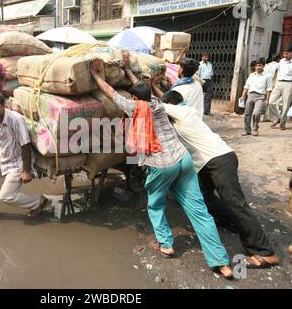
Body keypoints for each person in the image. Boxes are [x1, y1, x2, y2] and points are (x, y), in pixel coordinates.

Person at [90, 53, 233, 279]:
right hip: (183, 160)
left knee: (156, 205)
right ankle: (221, 262)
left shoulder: (134, 107)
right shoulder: (158, 103)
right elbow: (140, 86)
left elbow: (110, 93)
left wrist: (95, 76)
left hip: (161, 164)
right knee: (200, 212)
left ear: (136, 99)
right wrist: (127, 69)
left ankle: (166, 244)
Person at [156, 88, 279, 269]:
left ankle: (265, 252)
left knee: (236, 203)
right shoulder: (186, 114)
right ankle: (230, 221)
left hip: (219, 160)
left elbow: (155, 104)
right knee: (203, 196)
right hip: (207, 163)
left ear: (171, 105)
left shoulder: (183, 112)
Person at [0, 91, 49, 222]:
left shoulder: (15, 120)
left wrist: (26, 171)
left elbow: (26, 145)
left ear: (3, 105)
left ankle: (38, 201)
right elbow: (2, 141)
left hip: (19, 161)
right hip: (4, 157)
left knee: (6, 195)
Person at [269, 45, 292, 130]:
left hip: (289, 84)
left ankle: (282, 124)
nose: (285, 55)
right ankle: (277, 118)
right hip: (279, 83)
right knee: (271, 101)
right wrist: (275, 83)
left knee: (286, 105)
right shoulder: (281, 61)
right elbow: (276, 71)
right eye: (284, 53)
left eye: (287, 53)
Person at [241, 59, 272, 136]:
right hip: (251, 95)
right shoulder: (251, 75)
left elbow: (268, 88)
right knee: (247, 114)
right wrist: (243, 96)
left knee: (257, 113)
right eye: (257, 66)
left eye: (260, 65)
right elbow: (246, 86)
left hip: (260, 96)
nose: (258, 67)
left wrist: (267, 100)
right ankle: (247, 130)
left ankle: (255, 129)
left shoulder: (267, 76)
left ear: (263, 66)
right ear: (255, 67)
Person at [262, 53, 281, 122]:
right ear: (279, 59)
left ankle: (264, 116)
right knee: (272, 101)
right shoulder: (279, 65)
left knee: (266, 100)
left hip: (265, 84)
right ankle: (268, 116)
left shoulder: (266, 65)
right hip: (273, 84)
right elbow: (276, 75)